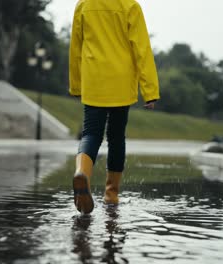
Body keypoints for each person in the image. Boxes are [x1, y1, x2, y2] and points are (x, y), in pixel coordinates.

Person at [69, 0, 160, 214]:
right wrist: (150, 90)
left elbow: (76, 47)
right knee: (116, 137)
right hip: (121, 81)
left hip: (94, 80)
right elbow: (142, 49)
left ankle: (82, 171)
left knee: (91, 134)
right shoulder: (130, 6)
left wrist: (76, 85)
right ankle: (111, 194)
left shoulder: (84, 4)